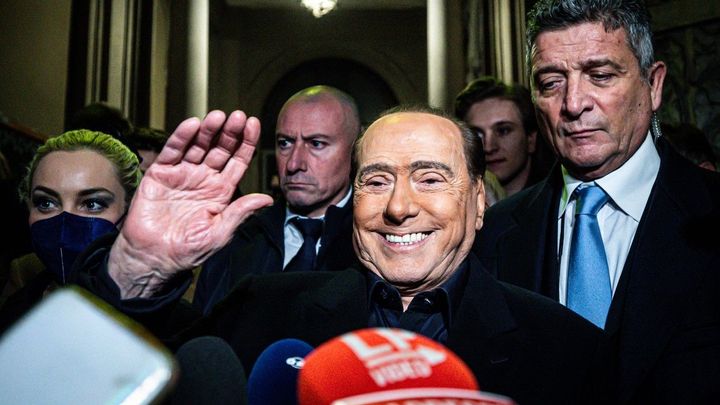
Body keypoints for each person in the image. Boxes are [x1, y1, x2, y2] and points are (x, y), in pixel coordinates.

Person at [74, 107, 604, 405]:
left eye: (430, 179)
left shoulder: (565, 348)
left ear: (479, 202)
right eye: (377, 181)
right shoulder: (261, 311)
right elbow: (102, 389)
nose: (399, 207)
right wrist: (139, 269)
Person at [474, 0, 720, 403]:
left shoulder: (710, 210)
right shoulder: (493, 235)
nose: (573, 104)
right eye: (551, 83)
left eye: (601, 76)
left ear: (653, 84)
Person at [194, 85, 360, 313]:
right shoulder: (235, 239)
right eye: (285, 143)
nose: (294, 164)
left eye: (316, 144)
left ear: (354, 151)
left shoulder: (377, 242)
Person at [0, 130, 141, 330]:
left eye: (92, 204)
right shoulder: (15, 308)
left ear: (131, 211)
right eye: (46, 203)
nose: (65, 221)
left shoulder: (172, 327)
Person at [455, 76, 553, 197]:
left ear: (531, 139)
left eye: (503, 131)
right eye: (477, 134)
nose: (489, 147)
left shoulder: (555, 201)